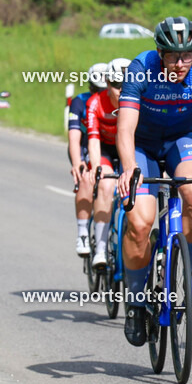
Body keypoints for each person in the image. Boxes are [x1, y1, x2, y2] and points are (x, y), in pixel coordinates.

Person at [116, 16, 192, 346]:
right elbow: (125, 128)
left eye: (187, 55)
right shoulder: (140, 68)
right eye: (173, 55)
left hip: (180, 140)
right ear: (160, 52)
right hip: (141, 145)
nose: (181, 62)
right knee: (140, 223)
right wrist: (128, 167)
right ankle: (136, 301)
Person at [86, 57, 130, 269]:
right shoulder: (95, 103)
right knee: (105, 185)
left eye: (126, 86)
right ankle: (101, 250)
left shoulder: (138, 102)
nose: (120, 91)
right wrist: (96, 168)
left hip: (127, 148)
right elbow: (93, 139)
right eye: (115, 85)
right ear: (107, 82)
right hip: (104, 147)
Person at [68, 63, 108, 255]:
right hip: (85, 145)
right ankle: (82, 231)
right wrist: (77, 163)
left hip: (107, 145)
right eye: (95, 90)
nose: (98, 95)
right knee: (85, 177)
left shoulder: (113, 101)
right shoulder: (79, 101)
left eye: (103, 90)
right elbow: (74, 138)